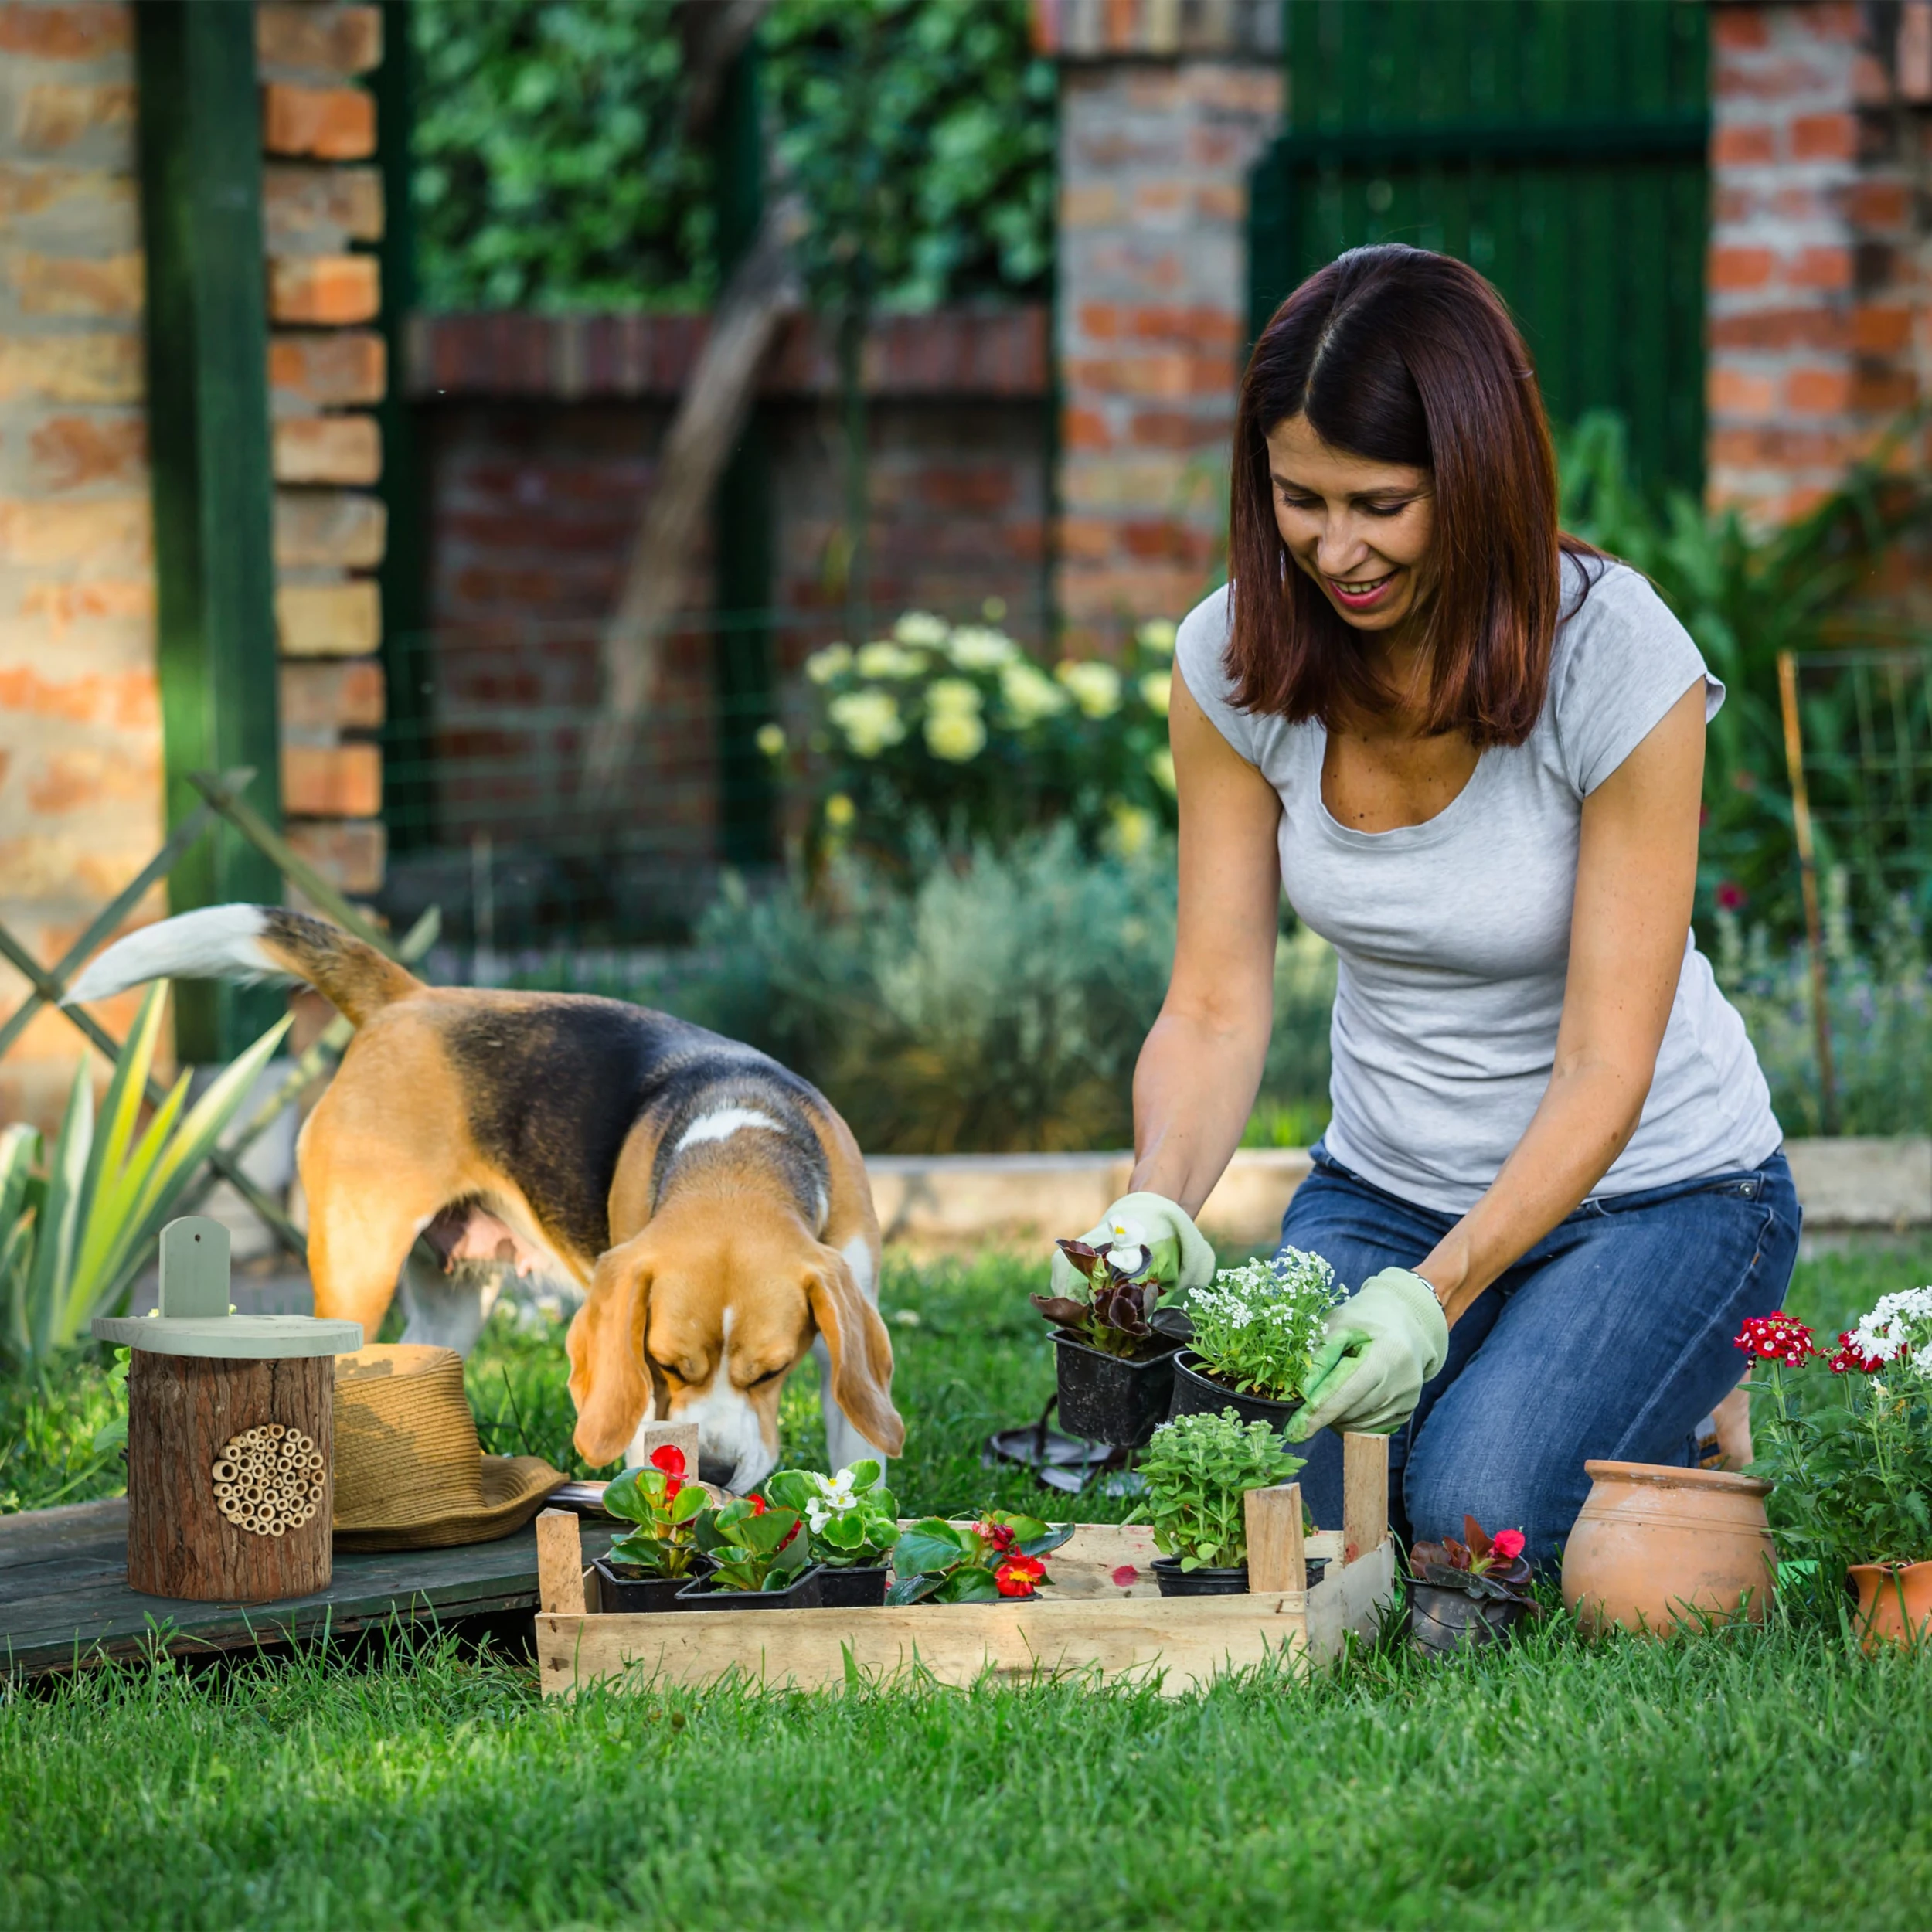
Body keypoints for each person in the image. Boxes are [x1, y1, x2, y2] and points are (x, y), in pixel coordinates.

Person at [1056, 245, 1799, 1560]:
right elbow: (1218, 1001)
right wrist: (1154, 1204)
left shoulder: (1620, 660)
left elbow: (1603, 1064)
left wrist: (1438, 1297)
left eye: (1382, 503)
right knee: (1259, 1493)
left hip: (1657, 1193)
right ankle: (1542, 1368)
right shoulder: (1231, 662)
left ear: (1480, 478)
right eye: (1300, 499)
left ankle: (1648, 1377)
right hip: (1383, 1190)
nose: (1335, 548)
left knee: (1477, 1516)